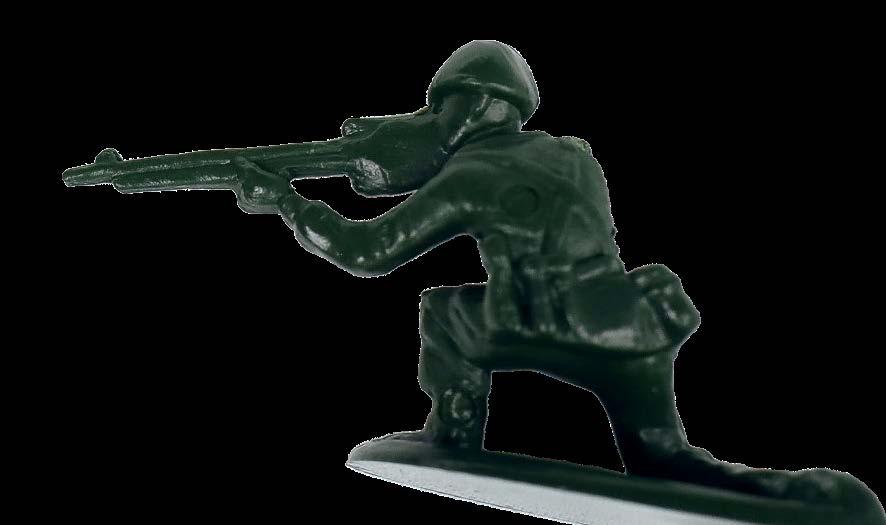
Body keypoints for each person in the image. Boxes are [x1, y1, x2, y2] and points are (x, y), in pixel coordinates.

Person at [232, 40, 834, 501]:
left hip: (549, 324)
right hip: (632, 326)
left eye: (437, 108)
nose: (430, 119)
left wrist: (285, 201)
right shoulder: (572, 154)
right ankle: (794, 494)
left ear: (467, 106)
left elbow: (368, 253)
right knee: (665, 456)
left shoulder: (471, 174)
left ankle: (454, 431)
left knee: (443, 312)